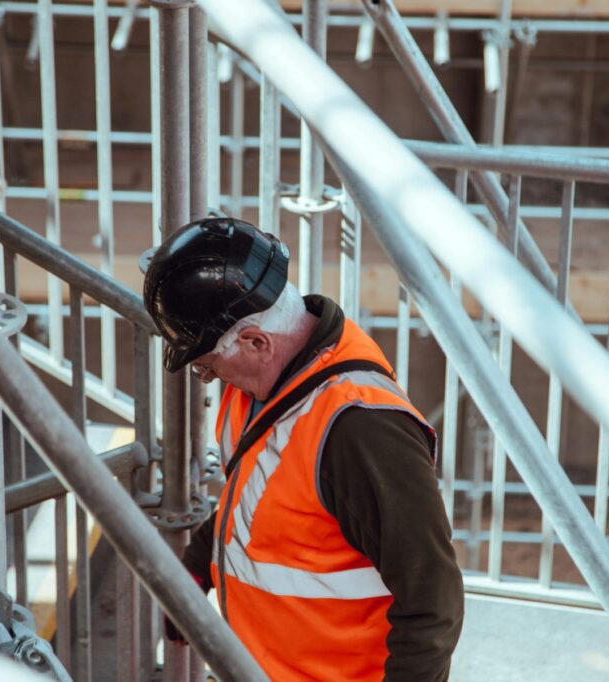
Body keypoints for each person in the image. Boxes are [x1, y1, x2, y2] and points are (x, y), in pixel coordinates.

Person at [143, 216, 464, 681]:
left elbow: (433, 601)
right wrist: (199, 563)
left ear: (255, 341)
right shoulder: (262, 387)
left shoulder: (360, 429)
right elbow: (261, 494)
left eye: (208, 365)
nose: (209, 377)